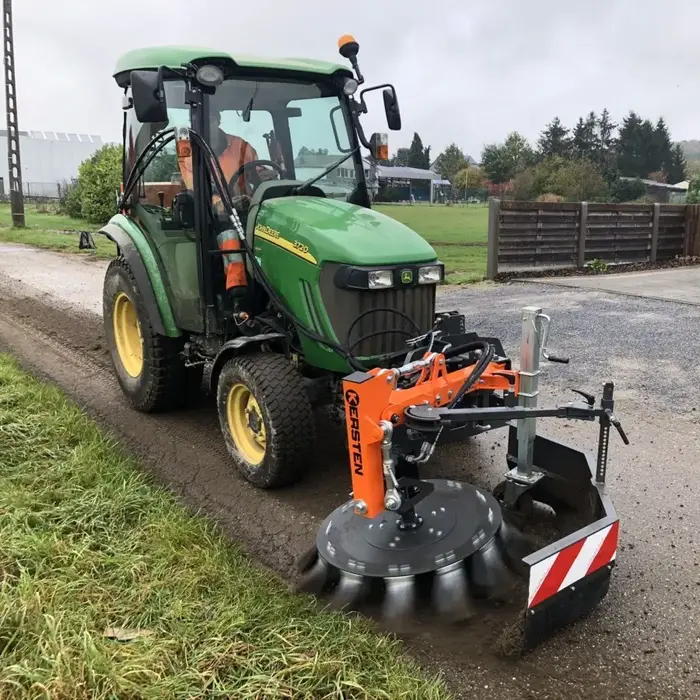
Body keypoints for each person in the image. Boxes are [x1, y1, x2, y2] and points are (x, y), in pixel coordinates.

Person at [176, 108, 280, 294]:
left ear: (218, 120)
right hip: (210, 215)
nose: (209, 126)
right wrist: (226, 204)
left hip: (247, 209)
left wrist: (267, 177)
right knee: (229, 235)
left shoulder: (240, 146)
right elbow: (197, 191)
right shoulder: (188, 154)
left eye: (212, 119)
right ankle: (237, 294)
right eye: (203, 122)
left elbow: (258, 172)